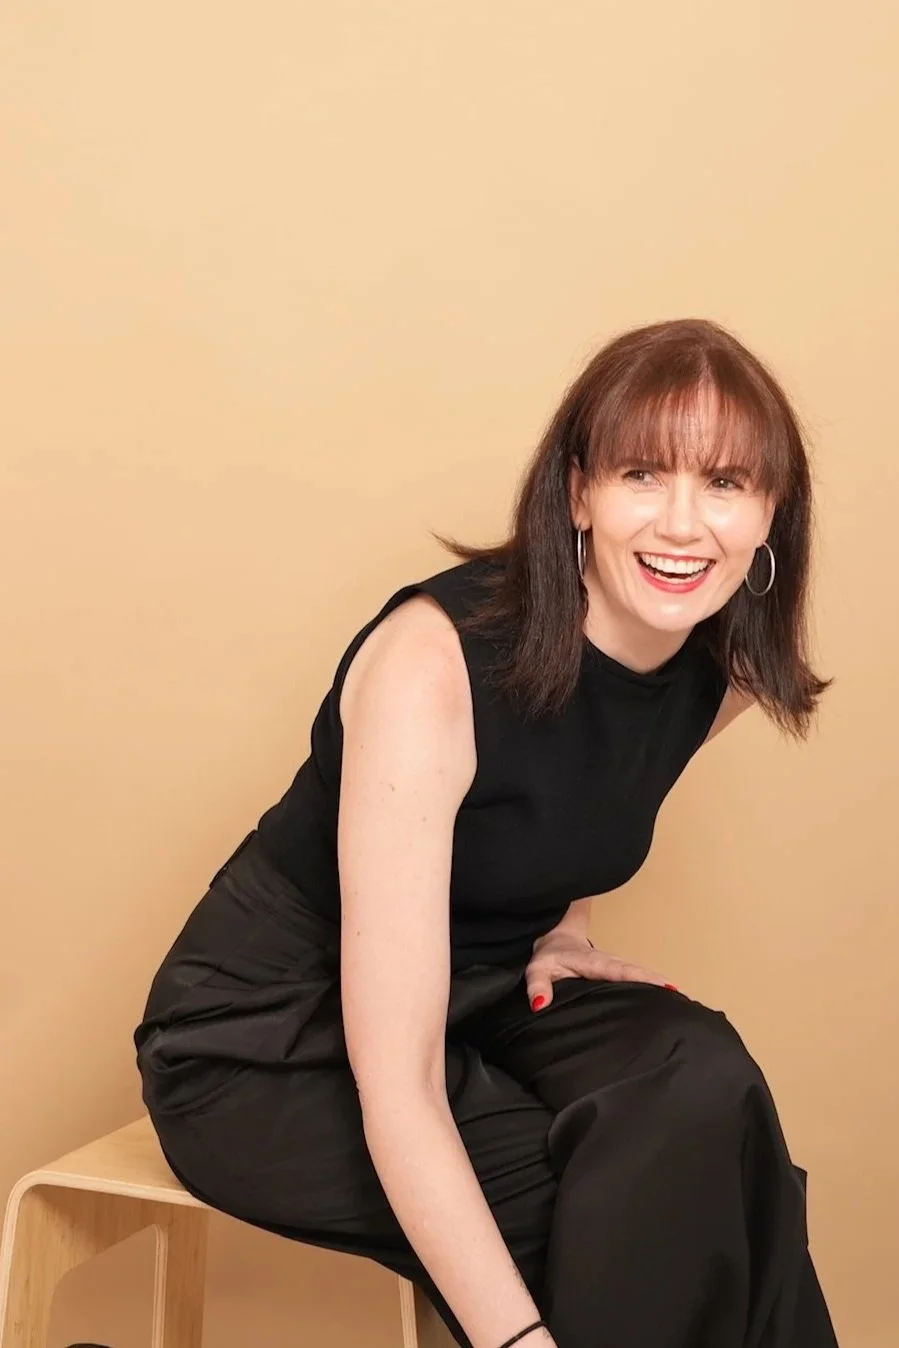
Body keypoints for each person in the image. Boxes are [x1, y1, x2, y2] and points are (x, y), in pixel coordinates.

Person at [134, 317, 839, 1348]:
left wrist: (564, 917)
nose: (684, 523)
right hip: (270, 1042)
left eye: (725, 483)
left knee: (703, 1081)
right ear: (575, 494)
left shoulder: (713, 666)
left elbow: (584, 787)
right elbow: (400, 1079)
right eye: (642, 473)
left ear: (770, 510)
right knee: (655, 1202)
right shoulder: (433, 667)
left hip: (484, 987)